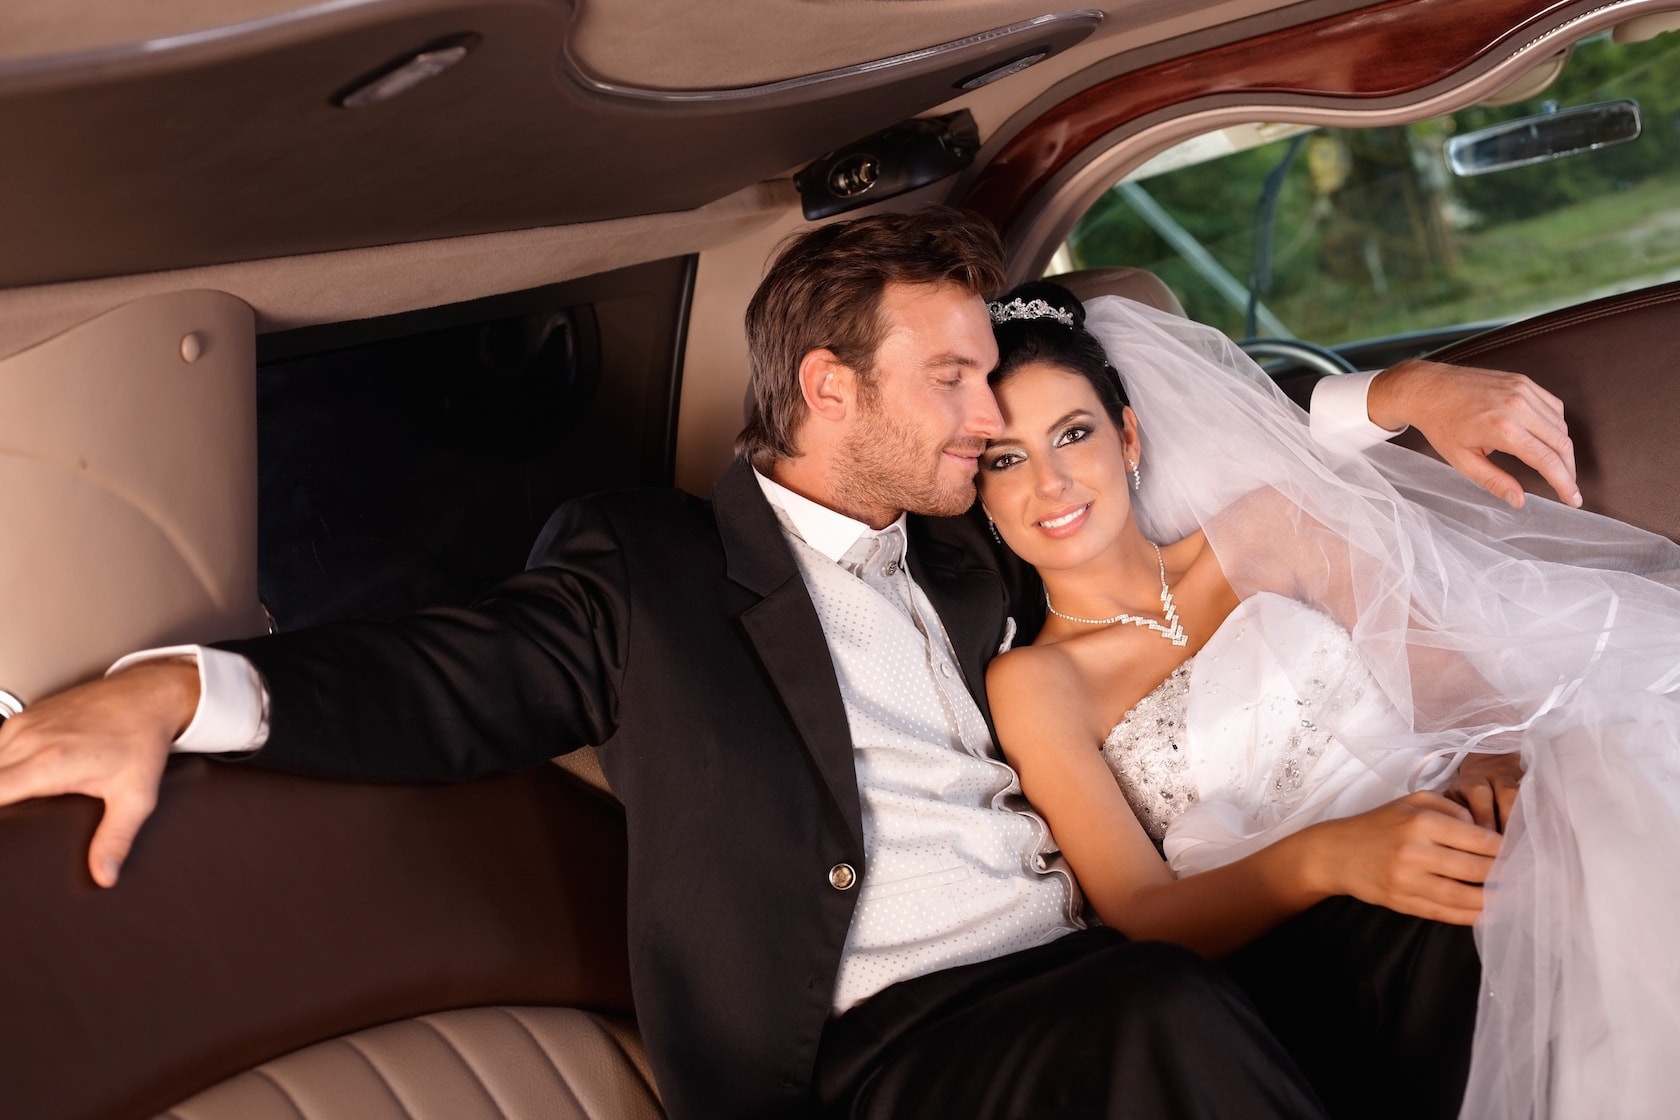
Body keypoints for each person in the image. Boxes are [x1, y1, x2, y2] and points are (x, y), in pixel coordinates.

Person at [0, 208, 1583, 1120]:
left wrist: (1394, 399)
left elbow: (1138, 459)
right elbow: (437, 681)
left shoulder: (971, 545)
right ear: (832, 387)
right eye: (955, 378)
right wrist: (173, 689)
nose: (989, 417)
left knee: (1431, 927)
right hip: (876, 1047)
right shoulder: (654, 570)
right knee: (1157, 1015)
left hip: (1082, 976)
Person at [977, 280, 1680, 1120]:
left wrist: (1503, 767)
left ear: (1127, 436)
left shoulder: (1272, 524)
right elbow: (1142, 914)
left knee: (1605, 797)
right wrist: (1334, 856)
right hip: (1313, 938)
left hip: (1454, 813)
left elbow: (1459, 695)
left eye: (1074, 434)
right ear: (978, 490)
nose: (1049, 484)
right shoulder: (1034, 682)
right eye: (1005, 458)